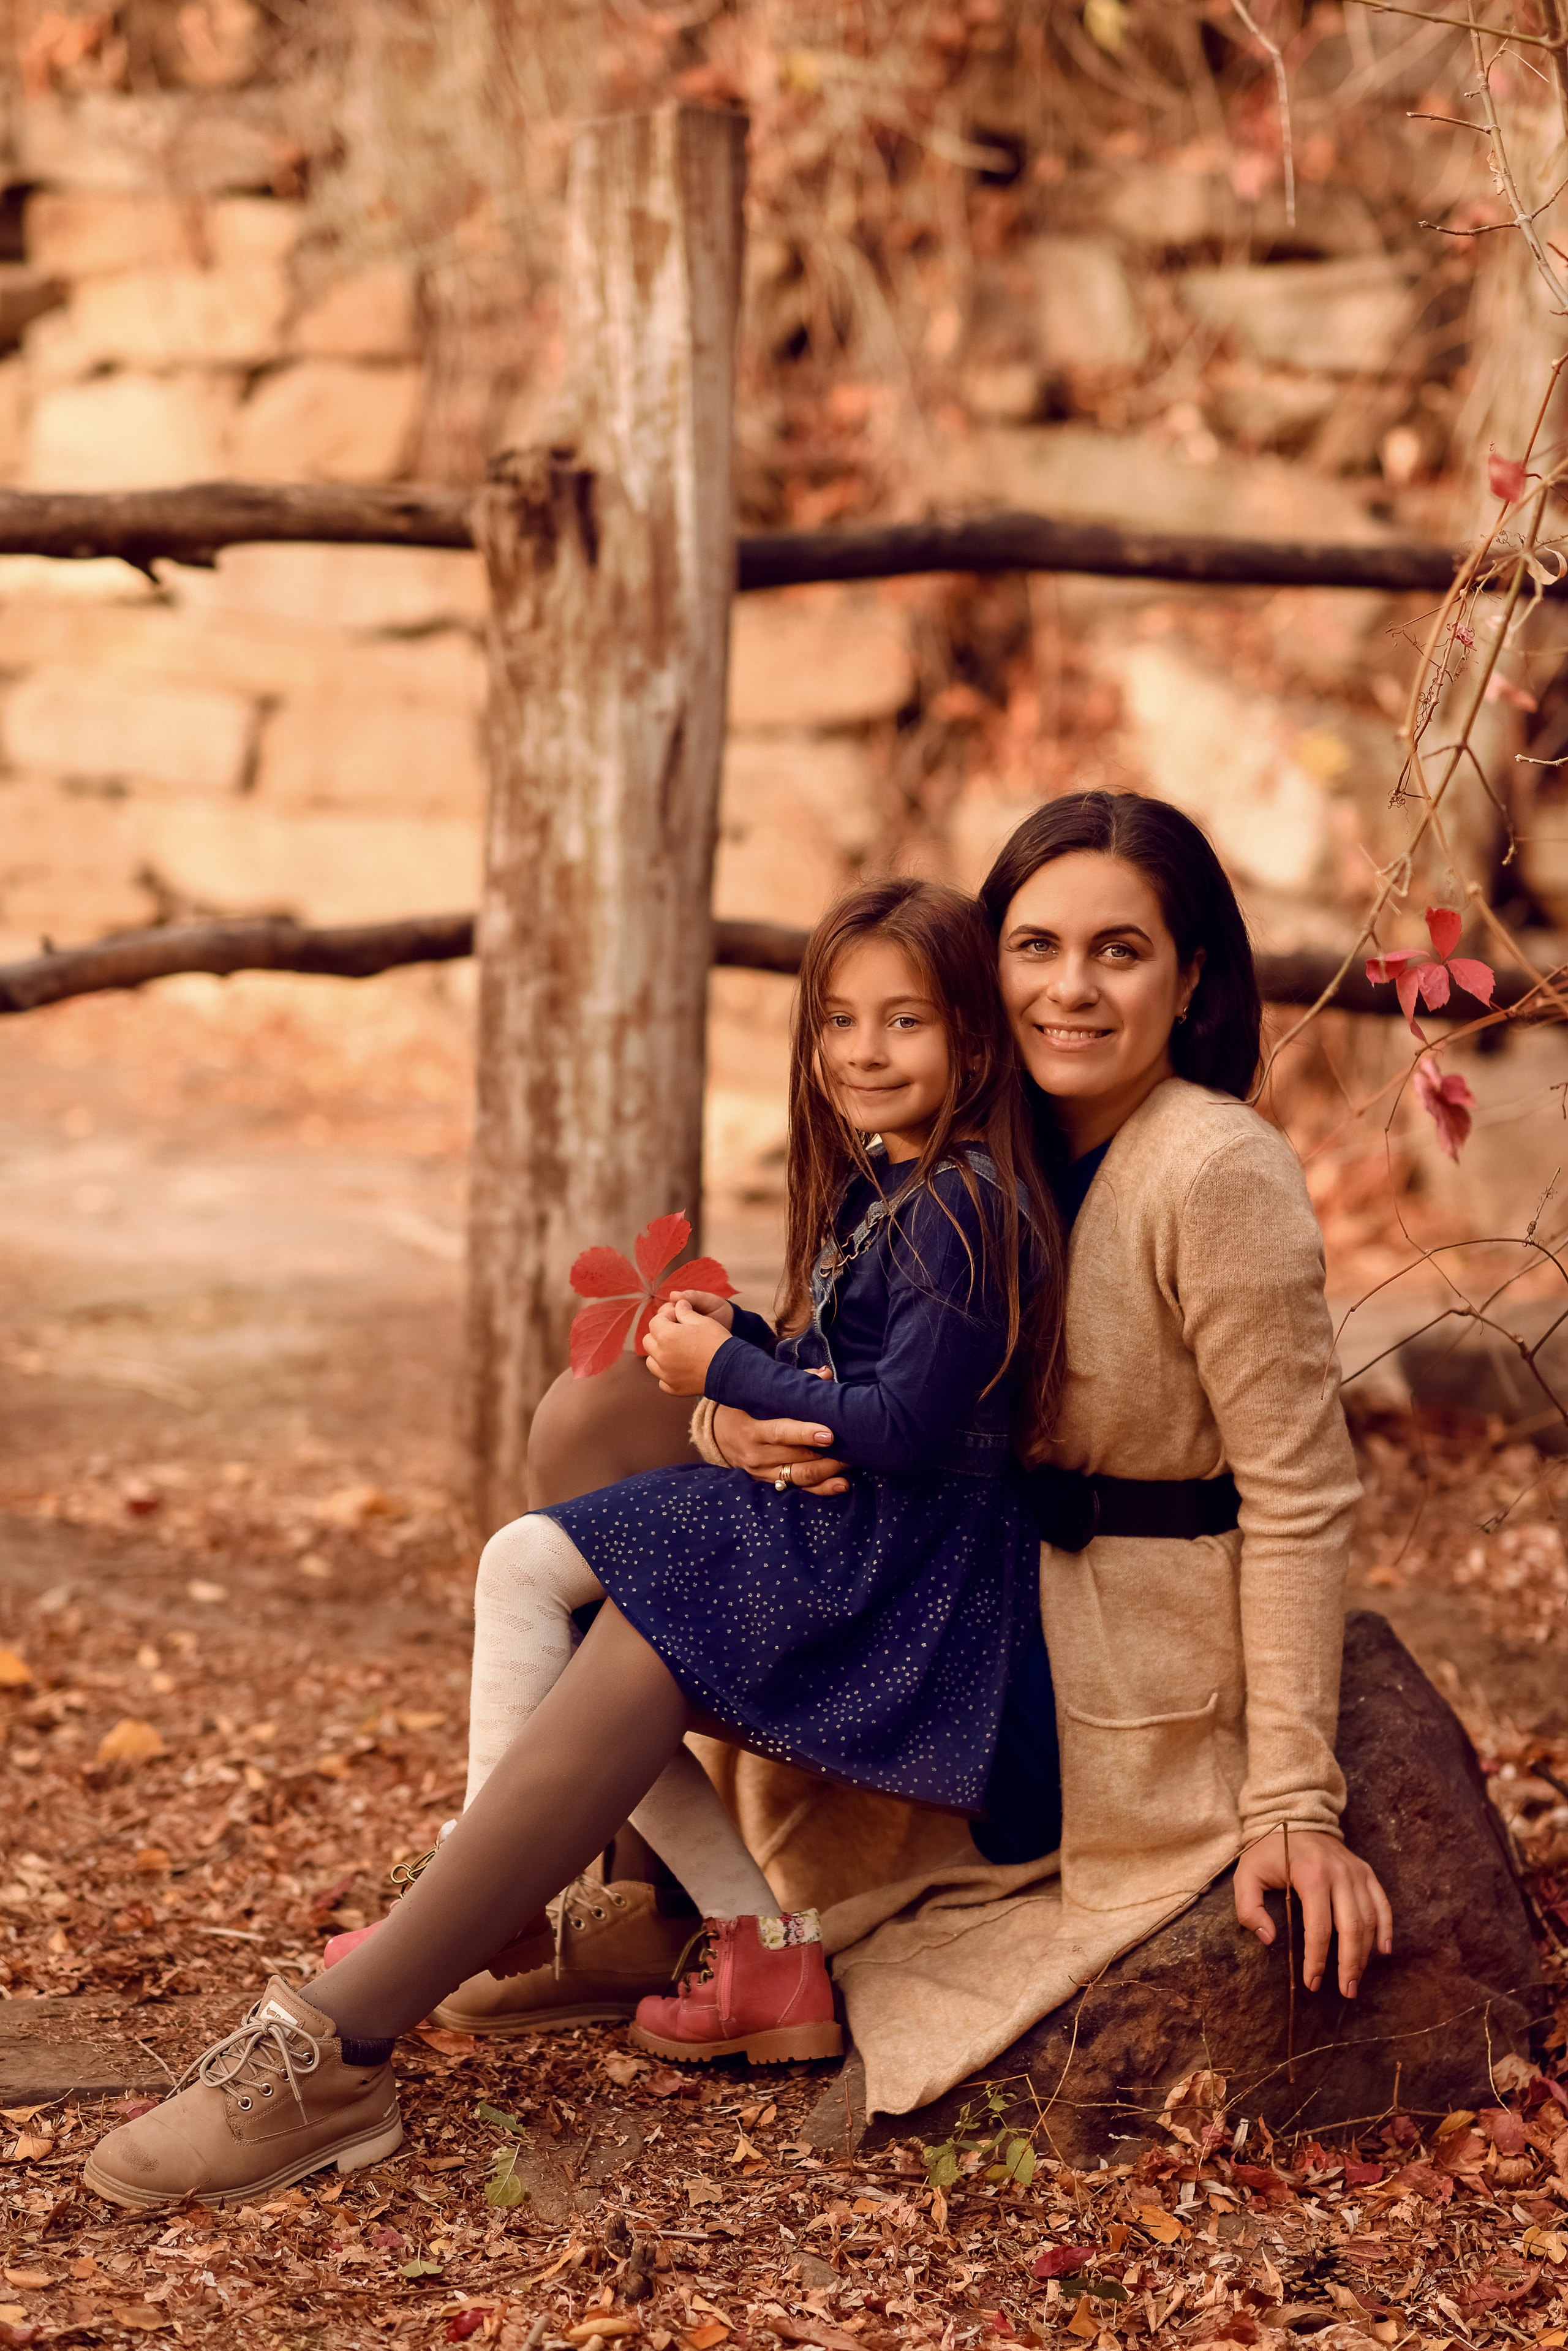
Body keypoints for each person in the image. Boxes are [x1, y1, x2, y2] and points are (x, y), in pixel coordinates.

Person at [83, 877, 1061, 2211]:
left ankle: (381, 2002)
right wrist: (741, 1369)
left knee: (530, 1568)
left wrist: (735, 1372)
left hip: (901, 1587)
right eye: (838, 1018)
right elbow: (850, 1369)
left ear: (974, 1041)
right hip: (859, 1533)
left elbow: (899, 1424)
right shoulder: (888, 1182)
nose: (863, 1050)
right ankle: (719, 1930)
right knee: (588, 1428)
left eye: (905, 1020)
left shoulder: (963, 1205)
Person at [702, 791, 1394, 2118]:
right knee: (618, 1467)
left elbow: (1300, 1494)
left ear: (1189, 979)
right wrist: (725, 1416)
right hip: (970, 1590)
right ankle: (631, 1901)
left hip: (1102, 1656)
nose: (1067, 989)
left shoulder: (1212, 1169)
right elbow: (831, 1351)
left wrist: (1292, 1798)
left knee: (657, 1594)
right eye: (1033, 946)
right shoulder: (972, 1140)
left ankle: (369, 2022)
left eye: (1117, 951)